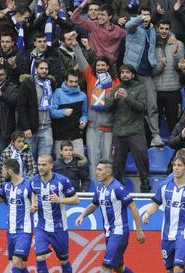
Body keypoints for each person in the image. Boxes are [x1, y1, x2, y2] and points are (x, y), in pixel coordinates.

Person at [75, 159, 150, 273]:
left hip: (119, 232)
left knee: (106, 266)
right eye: (97, 169)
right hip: (109, 234)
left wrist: (139, 230)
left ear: (109, 172)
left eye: (100, 170)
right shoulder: (100, 188)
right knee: (119, 267)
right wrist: (83, 214)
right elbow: (94, 204)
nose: (97, 172)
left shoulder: (118, 188)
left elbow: (133, 207)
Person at [30, 154, 79, 273]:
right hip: (41, 227)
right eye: (39, 164)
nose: (41, 167)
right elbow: (33, 192)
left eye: (44, 164)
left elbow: (76, 199)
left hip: (59, 228)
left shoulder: (62, 181)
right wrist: (33, 205)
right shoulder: (34, 181)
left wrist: (61, 200)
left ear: (51, 166)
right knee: (40, 258)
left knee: (64, 262)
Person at [72, 34, 119, 179]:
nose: (100, 67)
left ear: (108, 67)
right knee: (93, 159)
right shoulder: (90, 77)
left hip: (108, 128)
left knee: (107, 161)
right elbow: (81, 59)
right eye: (98, 65)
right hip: (92, 126)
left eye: (103, 65)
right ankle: (95, 190)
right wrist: (75, 44)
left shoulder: (116, 82)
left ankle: (107, 188)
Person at [106, 64, 150, 192]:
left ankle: (145, 188)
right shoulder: (116, 89)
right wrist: (114, 99)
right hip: (119, 131)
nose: (125, 74)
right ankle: (118, 190)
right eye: (122, 72)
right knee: (116, 165)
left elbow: (142, 107)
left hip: (136, 131)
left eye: (127, 72)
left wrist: (127, 98)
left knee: (142, 160)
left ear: (133, 75)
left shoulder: (140, 87)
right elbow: (107, 108)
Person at [123, 7, 164, 147]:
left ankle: (155, 135)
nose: (146, 18)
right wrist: (141, 18)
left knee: (152, 105)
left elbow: (163, 38)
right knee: (128, 105)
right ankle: (127, 135)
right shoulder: (134, 28)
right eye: (143, 15)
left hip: (147, 73)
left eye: (148, 15)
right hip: (131, 74)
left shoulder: (152, 30)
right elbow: (128, 25)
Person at [18, 59, 55, 161]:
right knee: (29, 161)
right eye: (41, 68)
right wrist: (26, 127)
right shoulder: (27, 84)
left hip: (47, 128)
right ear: (36, 69)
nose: (44, 71)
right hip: (31, 129)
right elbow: (21, 107)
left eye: (46, 69)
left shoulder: (51, 84)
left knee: (45, 161)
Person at [154, 20, 185, 134]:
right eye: (161, 28)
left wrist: (176, 52)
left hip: (173, 89)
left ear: (170, 29)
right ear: (158, 29)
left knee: (174, 123)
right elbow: (151, 70)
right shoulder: (152, 43)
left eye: (167, 29)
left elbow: (180, 66)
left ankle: (175, 149)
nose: (164, 31)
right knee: (154, 124)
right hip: (156, 90)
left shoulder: (178, 43)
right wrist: (160, 66)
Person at [51, 69, 88, 156]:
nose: (74, 84)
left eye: (76, 82)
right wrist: (63, 112)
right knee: (61, 165)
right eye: (71, 81)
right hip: (60, 136)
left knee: (79, 163)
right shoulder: (58, 93)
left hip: (77, 136)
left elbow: (85, 113)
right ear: (65, 81)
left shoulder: (83, 96)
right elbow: (52, 112)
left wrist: (83, 121)